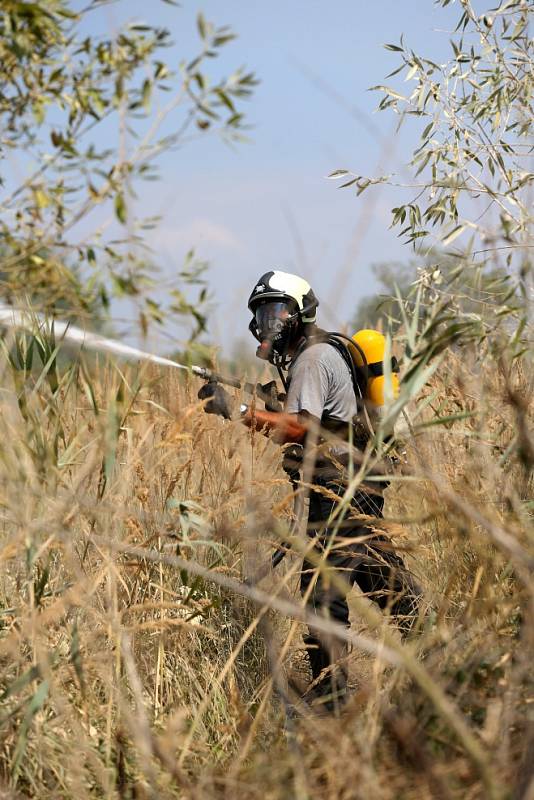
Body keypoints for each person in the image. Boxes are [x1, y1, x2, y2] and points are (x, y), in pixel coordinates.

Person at [199, 269, 421, 712]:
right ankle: (436, 642)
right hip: (355, 484)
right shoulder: (316, 354)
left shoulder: (314, 359)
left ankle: (330, 700)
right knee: (378, 576)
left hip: (342, 488)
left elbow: (300, 426)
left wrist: (239, 410)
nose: (268, 321)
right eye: (262, 312)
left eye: (277, 310)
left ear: (299, 314)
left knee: (323, 595)